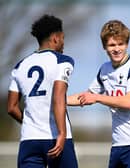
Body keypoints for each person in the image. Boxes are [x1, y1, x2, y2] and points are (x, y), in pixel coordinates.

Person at [67, 20, 130, 168]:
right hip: (117, 146)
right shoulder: (105, 69)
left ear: (126, 44)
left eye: (120, 44)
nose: (117, 49)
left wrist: (97, 97)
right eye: (112, 45)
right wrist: (57, 100)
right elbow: (86, 96)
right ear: (104, 47)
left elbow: (129, 102)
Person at [7, 14, 78, 168]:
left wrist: (29, 123)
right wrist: (61, 134)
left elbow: (11, 107)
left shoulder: (20, 66)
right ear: (55, 38)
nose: (63, 43)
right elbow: (58, 98)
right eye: (63, 38)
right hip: (55, 137)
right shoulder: (63, 61)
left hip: (29, 140)